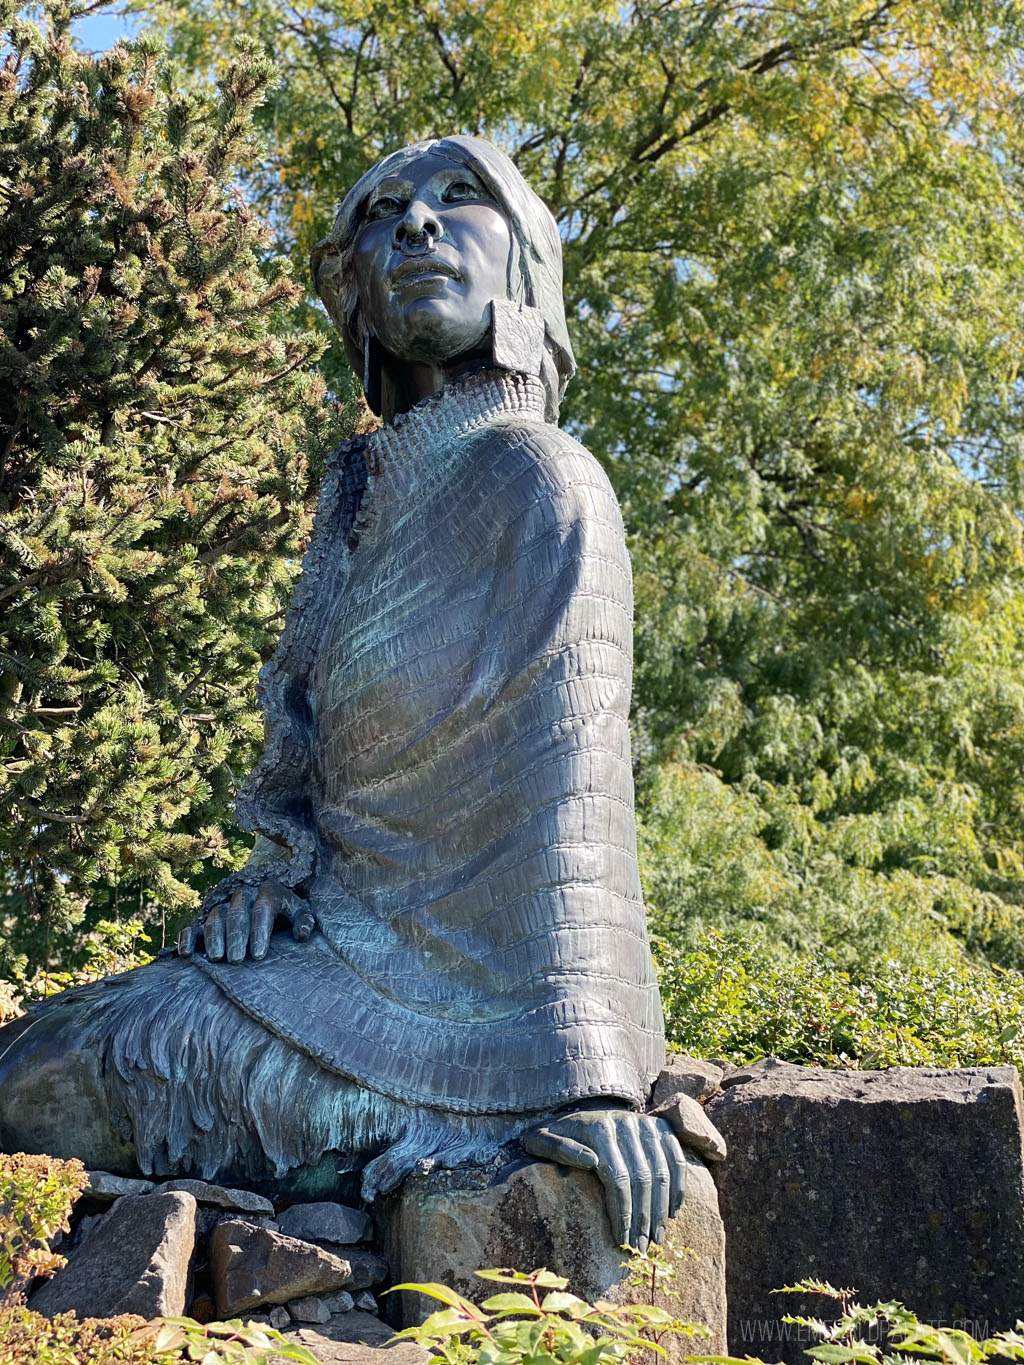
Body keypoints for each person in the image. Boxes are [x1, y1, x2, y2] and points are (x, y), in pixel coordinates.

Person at [0, 136, 686, 1251]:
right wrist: (276, 882)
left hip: (480, 1024)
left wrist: (592, 1079)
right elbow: (300, 768)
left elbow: (573, 803)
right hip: (336, 953)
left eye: (462, 200)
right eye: (380, 213)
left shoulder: (542, 479)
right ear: (353, 289)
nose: (417, 224)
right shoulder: (359, 490)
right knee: (47, 1047)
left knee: (53, 1076)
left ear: (524, 265)